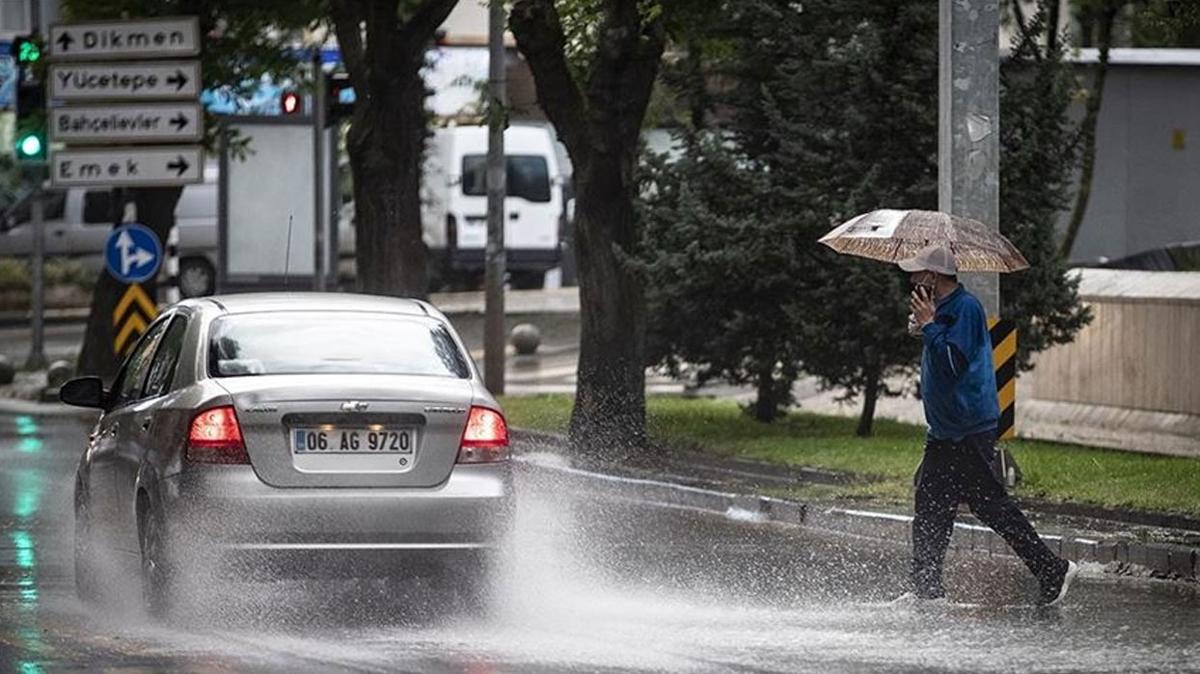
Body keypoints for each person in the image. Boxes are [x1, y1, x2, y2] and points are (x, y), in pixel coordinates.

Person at [898, 243, 1078, 606]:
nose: (912, 279)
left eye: (917, 273)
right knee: (932, 505)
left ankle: (1052, 569)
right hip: (946, 430)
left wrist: (931, 326)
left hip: (968, 427)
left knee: (989, 505)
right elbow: (938, 349)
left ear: (933, 277)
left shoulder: (965, 308)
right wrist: (923, 326)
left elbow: (952, 364)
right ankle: (926, 590)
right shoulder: (942, 308)